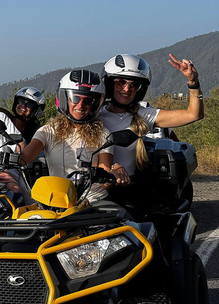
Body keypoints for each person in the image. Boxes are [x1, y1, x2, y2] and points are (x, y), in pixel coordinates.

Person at [17, 70, 130, 204]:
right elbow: (24, 158)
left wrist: (114, 173)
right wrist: (2, 157)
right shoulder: (48, 131)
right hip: (57, 200)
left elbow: (105, 178)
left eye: (87, 101)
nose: (80, 106)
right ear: (65, 99)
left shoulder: (103, 134)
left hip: (91, 201)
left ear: (94, 104)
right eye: (75, 99)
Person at [99, 53, 203, 181]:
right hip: (94, 185)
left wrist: (193, 82)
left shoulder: (143, 115)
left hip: (126, 186)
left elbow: (193, 114)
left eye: (134, 85)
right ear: (109, 84)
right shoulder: (95, 114)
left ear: (140, 89)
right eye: (121, 82)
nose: (126, 89)